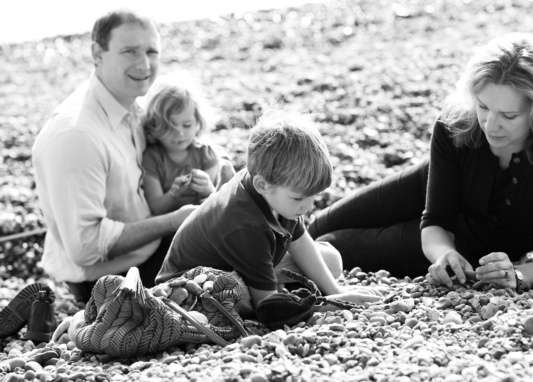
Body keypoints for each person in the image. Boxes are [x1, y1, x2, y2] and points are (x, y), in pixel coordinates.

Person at [308, 32, 533, 292]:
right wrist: (440, 253)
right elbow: (436, 219)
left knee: (331, 245)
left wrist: (519, 275)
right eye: (483, 107)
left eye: (509, 116)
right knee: (318, 226)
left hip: (471, 245)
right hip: (430, 190)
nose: (490, 125)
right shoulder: (458, 124)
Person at [32, 10, 196, 303]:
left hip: (147, 248)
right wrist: (174, 221)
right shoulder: (76, 136)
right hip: (111, 280)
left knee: (239, 202)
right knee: (231, 228)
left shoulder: (132, 107)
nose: (144, 64)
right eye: (129, 51)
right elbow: (86, 247)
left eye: (151, 51)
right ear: (98, 53)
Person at [156, 109, 381, 315]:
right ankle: (280, 291)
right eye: (299, 198)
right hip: (188, 287)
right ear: (262, 185)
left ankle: (276, 286)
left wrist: (336, 292)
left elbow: (300, 242)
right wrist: (334, 305)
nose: (308, 207)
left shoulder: (274, 188)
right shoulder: (245, 225)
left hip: (244, 260)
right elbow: (268, 307)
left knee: (330, 259)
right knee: (239, 295)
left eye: (314, 197)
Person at [141, 78, 235, 215]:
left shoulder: (205, 153)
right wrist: (173, 193)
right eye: (169, 127)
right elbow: (156, 208)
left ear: (198, 121)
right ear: (154, 125)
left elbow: (213, 203)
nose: (179, 133)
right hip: (169, 228)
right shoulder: (151, 157)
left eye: (187, 125)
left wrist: (207, 188)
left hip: (202, 223)